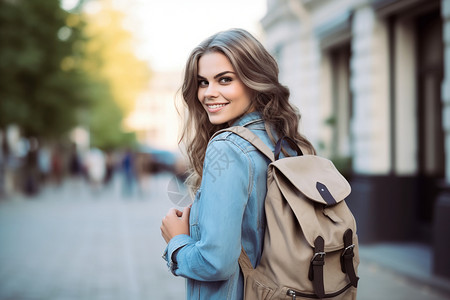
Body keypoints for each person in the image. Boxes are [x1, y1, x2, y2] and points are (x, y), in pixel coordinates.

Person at [160, 28, 315, 299]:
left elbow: (215, 263)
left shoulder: (227, 149)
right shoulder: (284, 141)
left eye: (225, 79)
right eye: (202, 82)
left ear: (254, 80)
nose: (209, 93)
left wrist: (176, 242)